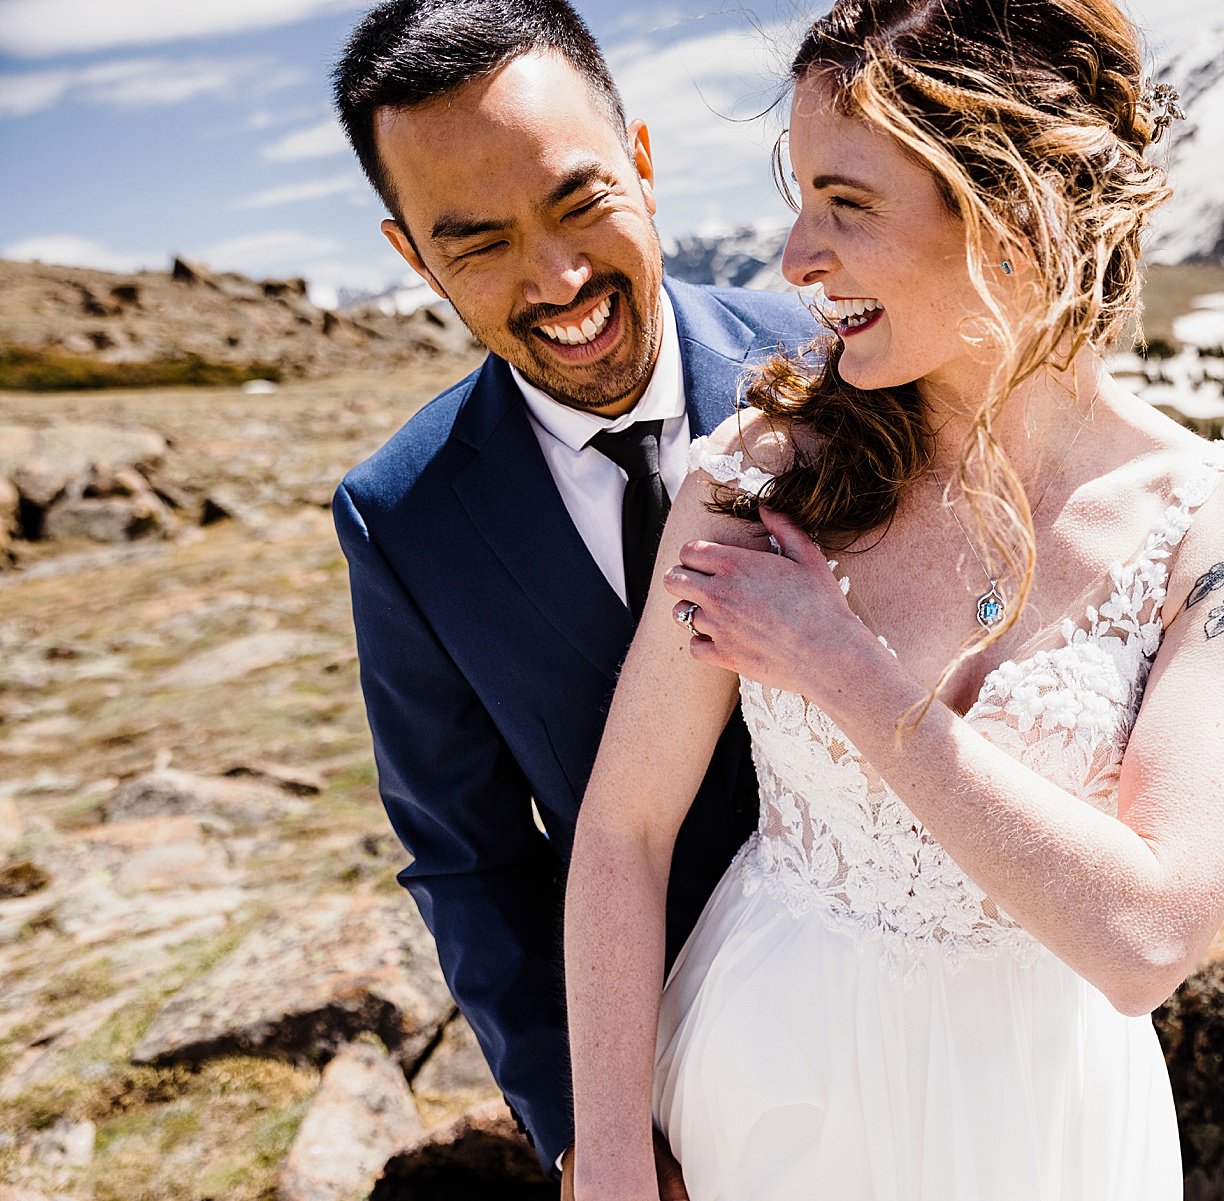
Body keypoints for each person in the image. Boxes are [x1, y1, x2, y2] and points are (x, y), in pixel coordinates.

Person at [561, 0, 1224, 1197]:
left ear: (1011, 208)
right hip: (766, 1082)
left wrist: (843, 667)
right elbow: (622, 830)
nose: (795, 259)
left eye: (846, 203)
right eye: (800, 196)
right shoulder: (759, 475)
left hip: (1040, 1121)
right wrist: (602, 1150)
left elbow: (1145, 944)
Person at [327, 0, 815, 1188]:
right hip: (677, 1082)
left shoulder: (838, 362)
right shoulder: (401, 518)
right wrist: (586, 1134)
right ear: (411, 254)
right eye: (475, 241)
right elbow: (468, 860)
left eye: (577, 201)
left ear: (642, 164)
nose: (556, 278)